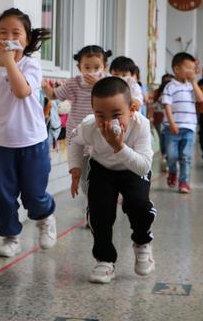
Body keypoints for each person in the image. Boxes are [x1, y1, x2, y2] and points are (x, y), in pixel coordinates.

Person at [0, 8, 57, 258]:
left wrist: (9, 60)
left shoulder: (31, 65)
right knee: (2, 195)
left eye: (16, 32)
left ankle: (45, 216)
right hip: (2, 144)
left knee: (34, 194)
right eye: (3, 32)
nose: (9, 36)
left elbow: (21, 91)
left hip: (33, 142)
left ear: (28, 39)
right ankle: (10, 236)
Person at [68, 77, 155, 284]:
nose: (108, 122)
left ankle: (142, 242)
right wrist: (75, 169)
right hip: (103, 169)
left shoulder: (141, 125)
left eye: (116, 115)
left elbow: (144, 166)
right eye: (100, 115)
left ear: (132, 108)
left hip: (133, 168)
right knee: (99, 212)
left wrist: (119, 147)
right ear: (93, 111)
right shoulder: (89, 126)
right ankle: (104, 259)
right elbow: (73, 139)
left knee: (138, 204)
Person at [42, 45, 111, 192]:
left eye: (96, 67)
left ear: (105, 66)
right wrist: (43, 85)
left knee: (104, 175)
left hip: (102, 137)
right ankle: (92, 205)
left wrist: (98, 85)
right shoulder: (74, 83)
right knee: (85, 180)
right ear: (79, 67)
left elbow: (113, 99)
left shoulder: (108, 83)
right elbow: (54, 95)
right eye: (87, 67)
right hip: (79, 137)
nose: (91, 71)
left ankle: (103, 201)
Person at [161, 53, 203, 193]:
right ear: (177, 69)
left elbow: (200, 98)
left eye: (193, 68)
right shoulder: (170, 86)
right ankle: (172, 171)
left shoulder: (192, 86)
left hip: (189, 127)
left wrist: (194, 82)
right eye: (188, 68)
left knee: (186, 156)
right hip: (172, 127)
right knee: (172, 155)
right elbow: (166, 106)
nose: (192, 71)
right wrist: (172, 123)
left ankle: (184, 182)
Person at [148, 73, 172, 169]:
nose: (168, 83)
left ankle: (168, 157)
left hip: (170, 119)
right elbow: (150, 105)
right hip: (158, 118)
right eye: (166, 81)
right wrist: (150, 119)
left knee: (168, 138)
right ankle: (164, 156)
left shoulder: (172, 91)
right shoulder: (156, 92)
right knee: (163, 137)